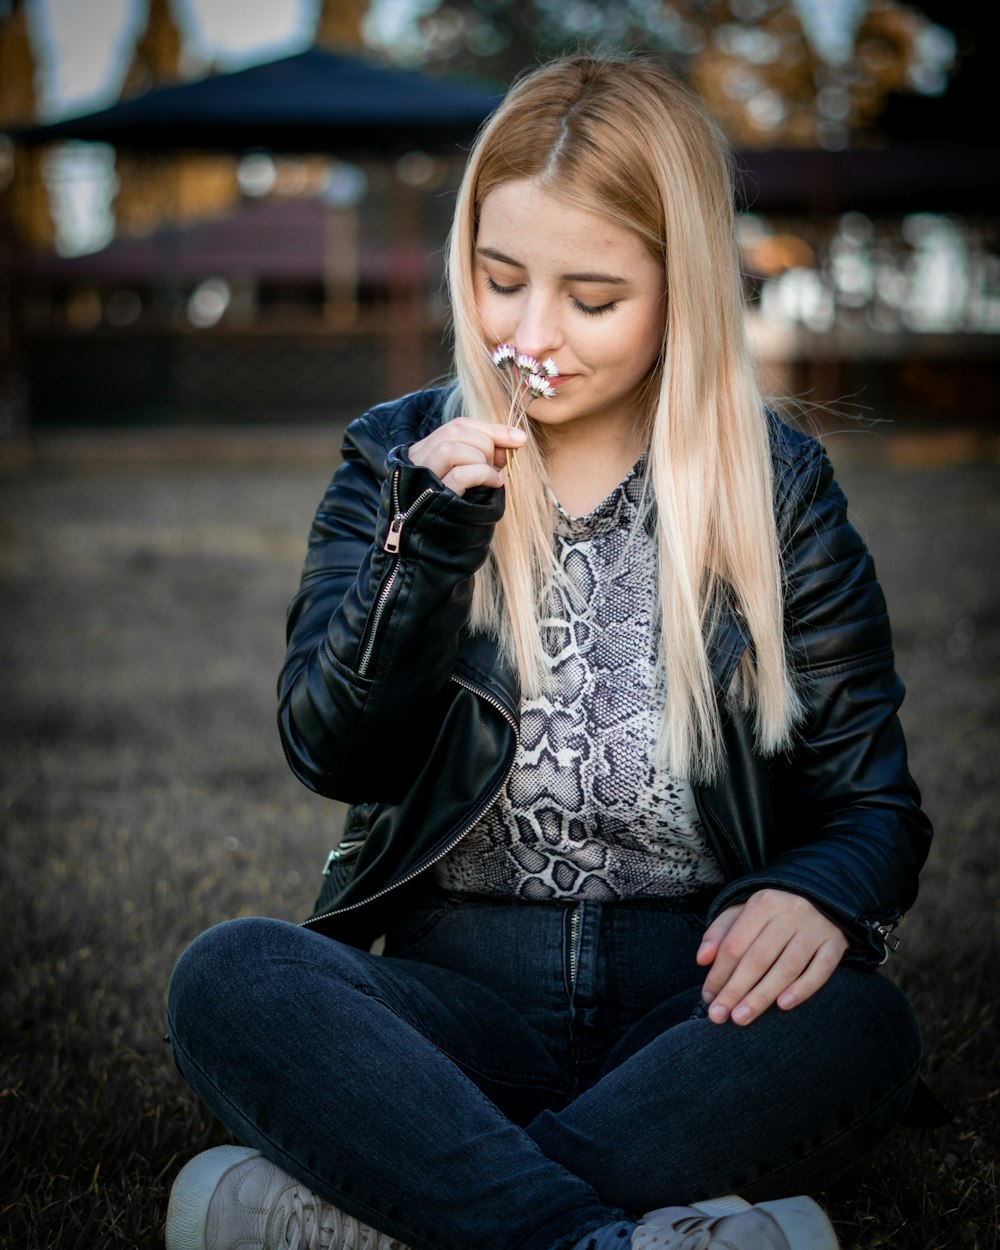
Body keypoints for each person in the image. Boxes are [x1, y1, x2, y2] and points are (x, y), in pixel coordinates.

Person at [163, 54, 932, 1250]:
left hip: (691, 1004)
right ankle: (622, 1230)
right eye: (499, 279)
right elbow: (332, 746)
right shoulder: (392, 457)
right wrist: (426, 549)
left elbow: (872, 806)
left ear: (681, 289)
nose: (529, 336)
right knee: (234, 977)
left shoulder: (774, 487)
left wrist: (816, 890)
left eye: (590, 297)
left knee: (864, 1026)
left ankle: (395, 1207)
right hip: (453, 997)